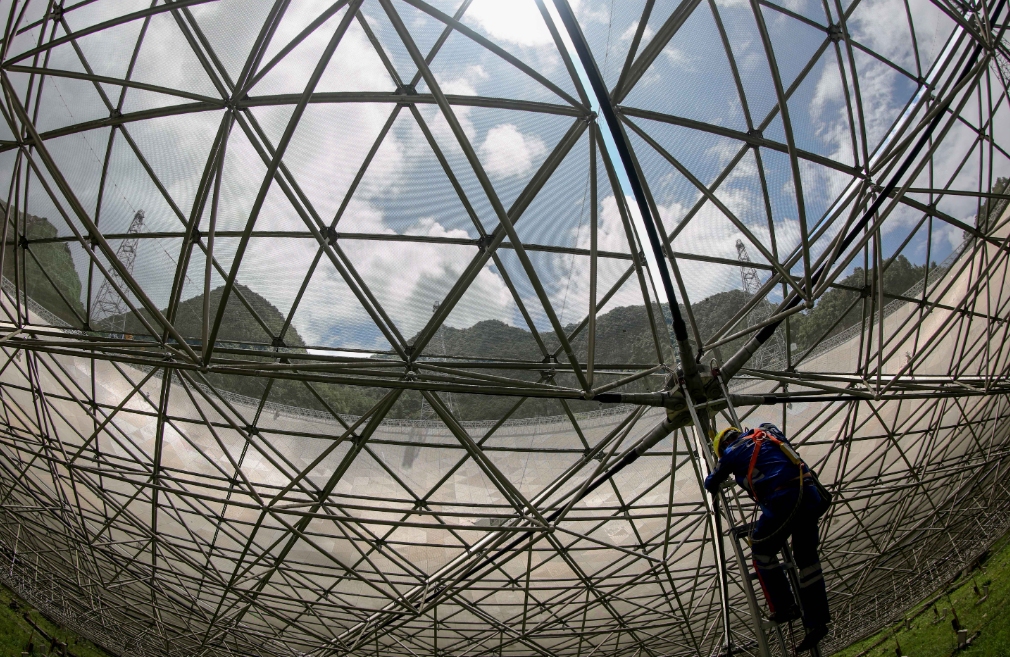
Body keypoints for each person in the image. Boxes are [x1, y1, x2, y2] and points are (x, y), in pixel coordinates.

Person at [704, 423, 831, 653]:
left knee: (761, 551)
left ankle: (784, 606)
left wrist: (722, 467)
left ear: (723, 446)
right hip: (808, 493)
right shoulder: (768, 433)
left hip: (782, 500)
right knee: (806, 559)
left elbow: (711, 483)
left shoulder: (731, 453)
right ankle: (816, 622)